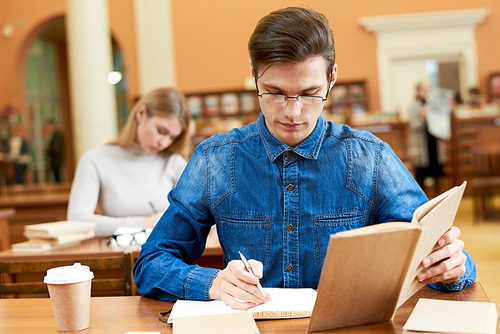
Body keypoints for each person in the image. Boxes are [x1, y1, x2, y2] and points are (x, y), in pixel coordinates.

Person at [133, 7, 476, 310]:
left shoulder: (370, 157)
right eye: (275, 93)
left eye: (311, 93)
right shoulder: (215, 159)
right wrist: (213, 284)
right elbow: (150, 264)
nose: (293, 112)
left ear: (332, 78)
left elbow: (443, 256)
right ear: (254, 77)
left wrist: (452, 268)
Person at [67, 87, 191, 237]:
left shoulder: (174, 163)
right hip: (118, 254)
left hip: (168, 254)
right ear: (141, 114)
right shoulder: (95, 160)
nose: (164, 143)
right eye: (161, 131)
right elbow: (77, 221)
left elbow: (201, 219)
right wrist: (142, 224)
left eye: (172, 137)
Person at [409, 81, 445, 195]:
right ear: (418, 91)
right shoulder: (414, 106)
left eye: (427, 89)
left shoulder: (432, 104)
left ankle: (439, 199)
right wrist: (423, 118)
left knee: (437, 173)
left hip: (434, 143)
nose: (426, 92)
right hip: (422, 145)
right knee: (422, 174)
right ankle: (423, 201)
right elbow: (413, 125)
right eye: (423, 89)